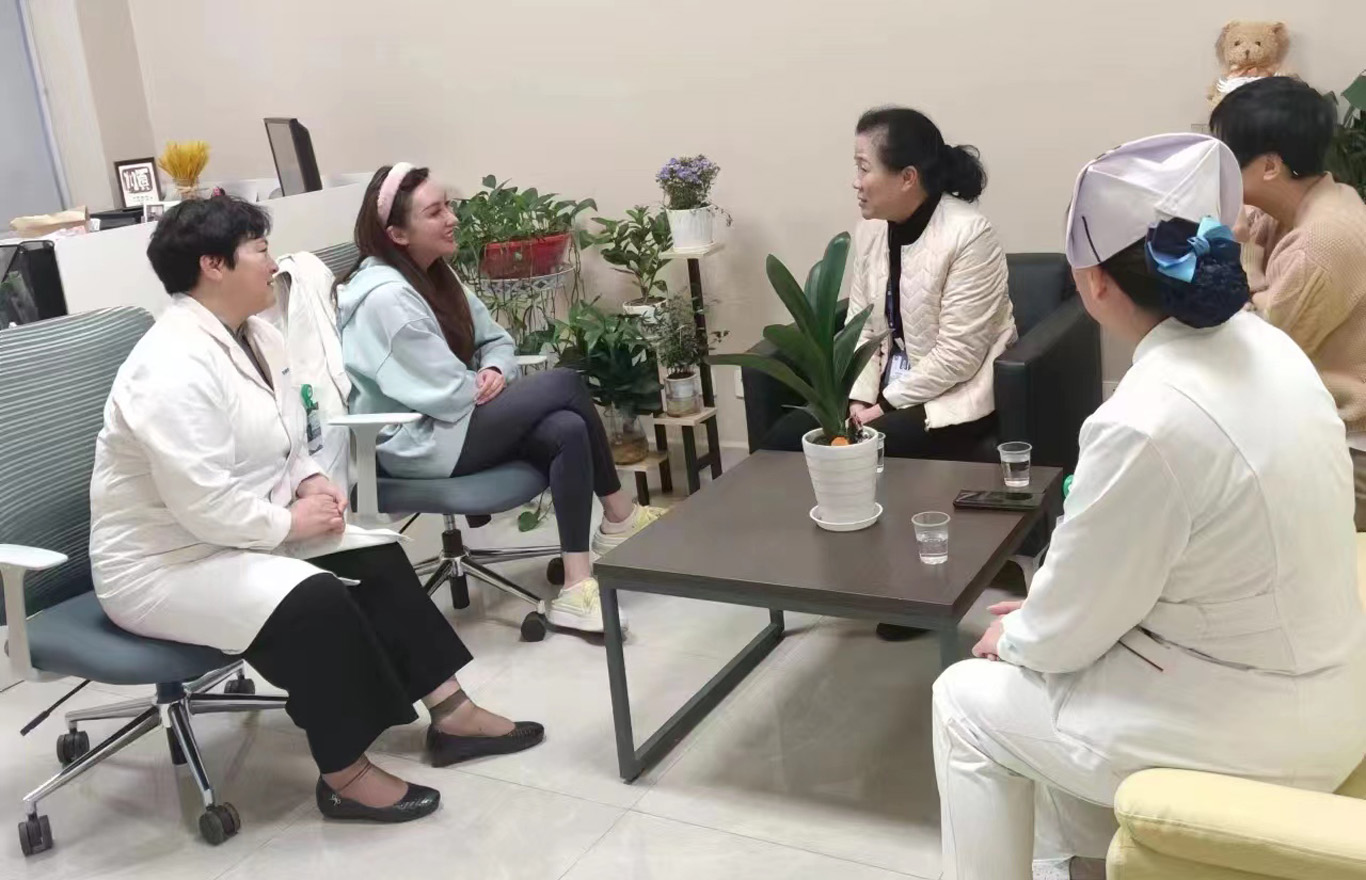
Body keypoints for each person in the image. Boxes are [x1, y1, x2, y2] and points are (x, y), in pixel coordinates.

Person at [930, 134, 1366, 880]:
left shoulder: (1146, 420)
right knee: (1058, 670)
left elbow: (1069, 624)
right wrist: (1049, 623)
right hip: (1329, 691)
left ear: (1094, 282)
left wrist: (1026, 635)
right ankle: (1082, 862)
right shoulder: (1270, 348)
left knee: (966, 699)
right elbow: (1115, 585)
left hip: (1261, 736)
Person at [90, 195, 544, 825]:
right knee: (316, 599)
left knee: (376, 556)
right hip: (164, 565)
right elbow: (202, 500)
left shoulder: (259, 335)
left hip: (236, 533)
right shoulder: (168, 366)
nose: (273, 264)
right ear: (213, 265)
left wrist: (308, 481)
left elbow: (289, 435)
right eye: (259, 250)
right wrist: (289, 523)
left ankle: (453, 714)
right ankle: (344, 774)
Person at [337, 164, 662, 635]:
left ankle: (576, 585)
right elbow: (449, 393)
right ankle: (619, 515)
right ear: (397, 234)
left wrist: (493, 370)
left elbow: (496, 341)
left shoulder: (437, 274)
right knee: (566, 384)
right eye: (435, 212)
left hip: (455, 422)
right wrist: (481, 380)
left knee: (567, 428)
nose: (452, 218)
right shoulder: (386, 299)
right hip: (417, 443)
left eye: (448, 206)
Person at [762, 107, 1017, 642]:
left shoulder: (969, 234)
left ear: (907, 177)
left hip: (951, 393)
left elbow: (959, 355)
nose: (855, 182)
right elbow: (860, 326)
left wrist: (886, 405)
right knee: (786, 438)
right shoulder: (871, 232)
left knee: (882, 446)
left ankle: (915, 592)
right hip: (881, 388)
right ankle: (836, 571)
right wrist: (857, 397)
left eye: (864, 167)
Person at [1210, 76, 1366, 530]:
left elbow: (1255, 347)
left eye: (1226, 158)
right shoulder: (1299, 205)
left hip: (1350, 447)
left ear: (1270, 166)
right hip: (1311, 421)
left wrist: (1241, 251)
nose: (1217, 170)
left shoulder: (1322, 240)